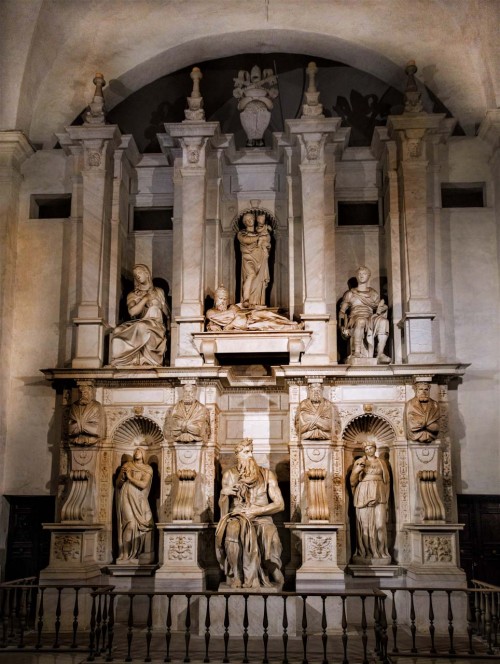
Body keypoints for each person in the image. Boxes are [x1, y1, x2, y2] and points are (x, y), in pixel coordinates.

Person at [215, 439, 284, 589]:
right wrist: (224, 493)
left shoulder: (267, 475)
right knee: (232, 530)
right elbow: (224, 508)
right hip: (238, 516)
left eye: (251, 451)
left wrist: (256, 511)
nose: (251, 455)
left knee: (272, 539)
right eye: (246, 452)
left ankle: (273, 572)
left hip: (262, 518)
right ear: (237, 455)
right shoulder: (229, 475)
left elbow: (279, 504)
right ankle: (236, 576)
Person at [111, 264, 169, 367]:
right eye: (135, 274)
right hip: (139, 322)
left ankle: (145, 360)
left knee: (142, 327)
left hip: (155, 325)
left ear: (147, 274)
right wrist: (145, 298)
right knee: (117, 331)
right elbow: (132, 312)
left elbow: (167, 315)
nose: (137, 276)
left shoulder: (159, 292)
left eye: (139, 272)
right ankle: (124, 362)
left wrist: (157, 306)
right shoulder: (133, 294)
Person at [350, 437, 391, 563]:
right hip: (363, 493)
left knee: (380, 525)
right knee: (365, 526)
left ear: (375, 448)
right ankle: (366, 552)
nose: (369, 450)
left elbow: (387, 482)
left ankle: (381, 551)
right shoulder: (359, 461)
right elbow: (352, 481)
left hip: (380, 494)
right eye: (366, 449)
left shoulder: (382, 463)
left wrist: (387, 500)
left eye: (371, 448)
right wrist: (357, 470)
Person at [338, 266, 391, 364]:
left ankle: (380, 354)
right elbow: (342, 312)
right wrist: (342, 326)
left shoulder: (373, 293)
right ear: (357, 276)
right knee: (361, 321)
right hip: (355, 317)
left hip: (370, 317)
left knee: (384, 322)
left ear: (368, 276)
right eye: (359, 274)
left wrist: (383, 308)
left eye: (364, 274)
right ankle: (357, 352)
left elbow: (378, 306)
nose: (361, 276)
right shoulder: (350, 294)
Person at [206, 285, 303, 332]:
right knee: (268, 323)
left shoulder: (231, 306)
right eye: (221, 299)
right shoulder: (211, 312)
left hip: (249, 315)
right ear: (215, 299)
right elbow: (215, 325)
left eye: (225, 299)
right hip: (245, 325)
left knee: (268, 314)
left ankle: (291, 322)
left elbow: (241, 310)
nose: (223, 301)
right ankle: (293, 327)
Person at [116, 447, 154, 564]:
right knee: (130, 524)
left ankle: (137, 553)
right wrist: (122, 476)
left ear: (143, 454)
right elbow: (118, 484)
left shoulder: (148, 468)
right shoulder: (128, 465)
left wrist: (130, 477)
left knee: (144, 523)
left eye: (139, 451)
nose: (136, 452)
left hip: (139, 498)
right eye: (135, 450)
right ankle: (125, 553)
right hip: (126, 495)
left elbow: (143, 485)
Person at [237, 212, 271, 307]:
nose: (250, 221)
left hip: (260, 258)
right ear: (244, 223)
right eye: (247, 220)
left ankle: (257, 302)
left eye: (251, 219)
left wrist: (265, 244)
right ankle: (246, 299)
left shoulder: (259, 231)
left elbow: (267, 241)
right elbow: (245, 240)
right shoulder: (242, 233)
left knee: (259, 280)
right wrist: (258, 237)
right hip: (248, 258)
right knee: (251, 275)